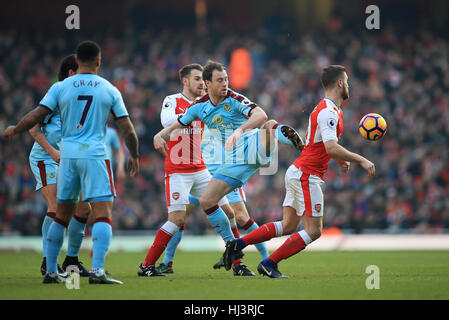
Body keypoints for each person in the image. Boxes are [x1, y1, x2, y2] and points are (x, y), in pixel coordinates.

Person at [2, 40, 140, 284]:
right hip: (94, 155)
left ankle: (54, 271)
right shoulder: (108, 88)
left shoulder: (61, 87)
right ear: (99, 61)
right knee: (102, 213)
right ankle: (98, 272)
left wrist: (16, 128)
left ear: (77, 61)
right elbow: (127, 129)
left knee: (61, 215)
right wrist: (135, 154)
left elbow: (36, 115)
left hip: (67, 156)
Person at [223, 65, 376, 278]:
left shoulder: (330, 109)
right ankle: (269, 263)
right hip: (306, 175)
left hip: (299, 171)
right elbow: (330, 146)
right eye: (347, 81)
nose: (348, 85)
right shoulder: (328, 112)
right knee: (314, 231)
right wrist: (362, 160)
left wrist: (339, 160)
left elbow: (319, 144)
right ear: (339, 83)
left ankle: (238, 244)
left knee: (288, 226)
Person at [153, 60, 304, 270]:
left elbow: (260, 114)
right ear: (208, 83)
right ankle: (229, 249)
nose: (225, 84)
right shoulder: (198, 107)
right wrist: (159, 135)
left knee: (268, 126)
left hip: (250, 145)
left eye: (226, 79)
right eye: (220, 80)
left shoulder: (233, 98)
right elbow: (179, 122)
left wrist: (239, 130)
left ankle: (295, 142)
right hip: (229, 163)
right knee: (207, 202)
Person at [138, 63, 254, 277]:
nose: (202, 83)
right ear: (185, 81)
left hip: (200, 169)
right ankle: (147, 265)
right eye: (198, 79)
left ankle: (237, 263)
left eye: (204, 80)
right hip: (178, 170)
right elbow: (168, 122)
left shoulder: (208, 104)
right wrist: (194, 113)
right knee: (177, 220)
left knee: (229, 212)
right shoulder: (173, 101)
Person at [28, 54, 91, 277]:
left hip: (71, 160)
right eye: (84, 70)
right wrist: (53, 151)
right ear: (72, 73)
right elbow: (33, 129)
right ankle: (48, 262)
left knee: (84, 208)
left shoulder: (84, 96)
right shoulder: (56, 94)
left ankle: (71, 261)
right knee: (56, 209)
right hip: (46, 158)